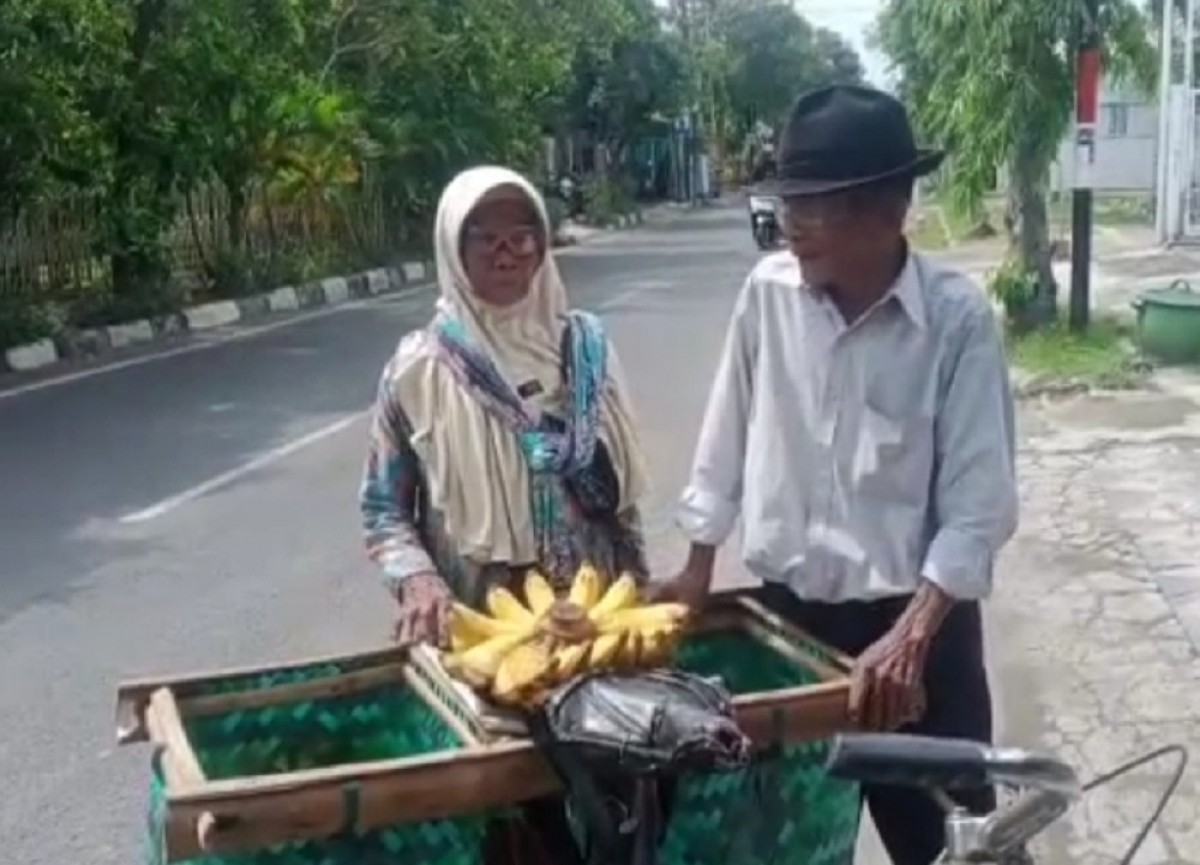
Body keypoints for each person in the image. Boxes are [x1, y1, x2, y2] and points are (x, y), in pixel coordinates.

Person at [661, 85, 1019, 865]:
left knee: (956, 849)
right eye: (787, 199)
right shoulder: (768, 296)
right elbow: (726, 433)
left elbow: (978, 507)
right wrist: (695, 567)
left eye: (815, 203)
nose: (791, 223)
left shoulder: (956, 321)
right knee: (781, 847)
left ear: (888, 209)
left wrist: (914, 633)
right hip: (789, 632)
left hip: (917, 640)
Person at [359, 164, 649, 644]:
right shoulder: (420, 371)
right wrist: (417, 580)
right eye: (485, 239)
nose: (506, 255)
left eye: (521, 237)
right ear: (454, 248)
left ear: (541, 246)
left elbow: (621, 499)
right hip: (482, 632)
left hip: (595, 623)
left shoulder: (586, 350)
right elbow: (382, 508)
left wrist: (639, 585)